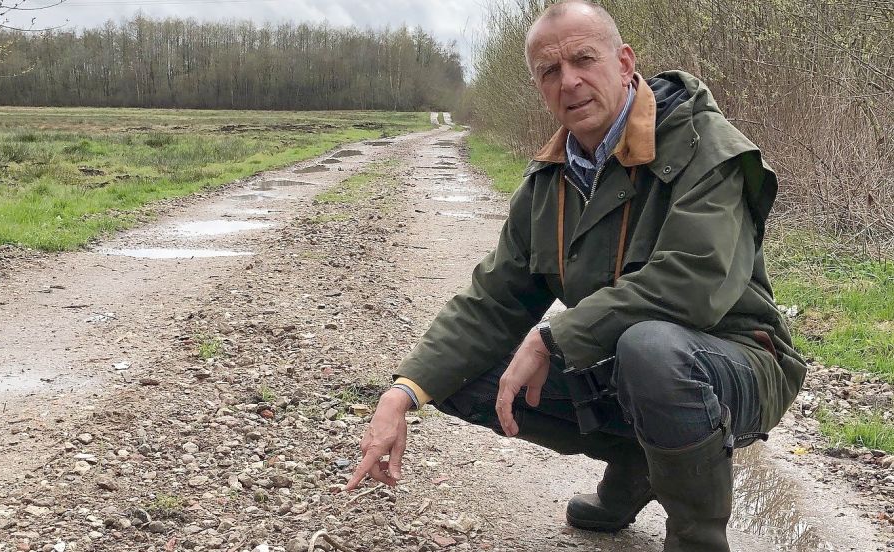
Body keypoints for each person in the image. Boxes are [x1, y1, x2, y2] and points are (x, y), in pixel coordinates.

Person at [346, 1, 807, 550]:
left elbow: (693, 282)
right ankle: (637, 465)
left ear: (624, 62)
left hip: (740, 361)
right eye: (549, 71)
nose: (569, 81)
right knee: (457, 374)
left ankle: (697, 535)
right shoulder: (549, 182)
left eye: (583, 60)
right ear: (539, 87)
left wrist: (552, 337)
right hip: (628, 361)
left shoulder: (706, 146)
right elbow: (492, 301)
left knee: (651, 348)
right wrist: (401, 393)